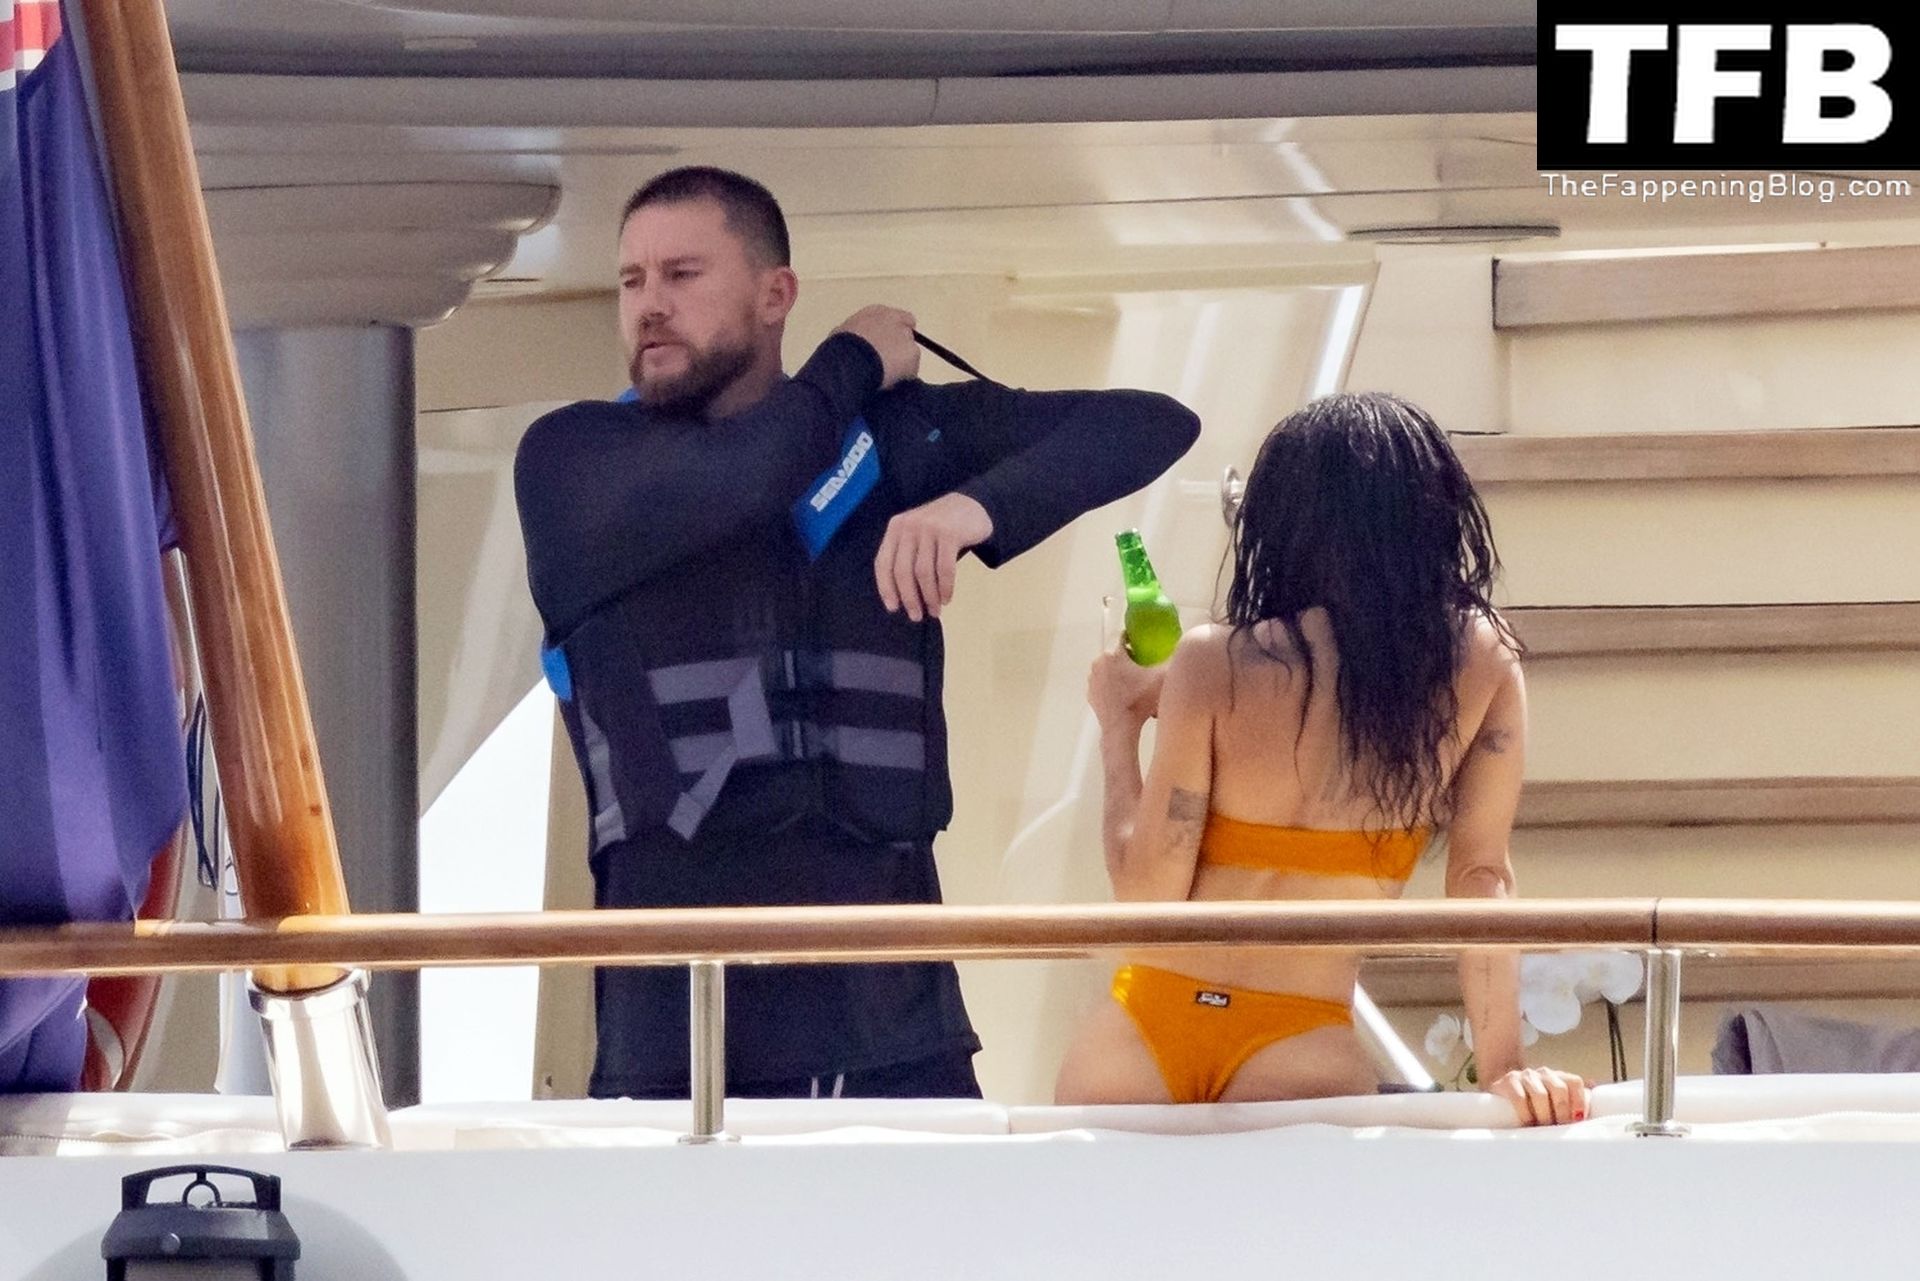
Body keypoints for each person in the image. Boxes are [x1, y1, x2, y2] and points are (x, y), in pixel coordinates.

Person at [513, 166, 1200, 1101]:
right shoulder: (574, 462)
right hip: (675, 1049)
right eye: (632, 281)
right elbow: (754, 475)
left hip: (899, 1033)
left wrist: (973, 508)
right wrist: (854, 358)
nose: (650, 304)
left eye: (682, 274)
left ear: (775, 295)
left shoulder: (893, 444)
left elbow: (1149, 424)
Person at [1054, 391, 1586, 1126]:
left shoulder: (1214, 660)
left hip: (1139, 1032)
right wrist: (1503, 1069)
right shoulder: (1481, 662)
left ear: (1279, 524)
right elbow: (1481, 880)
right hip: (1300, 1042)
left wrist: (1118, 727)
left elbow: (1146, 899)